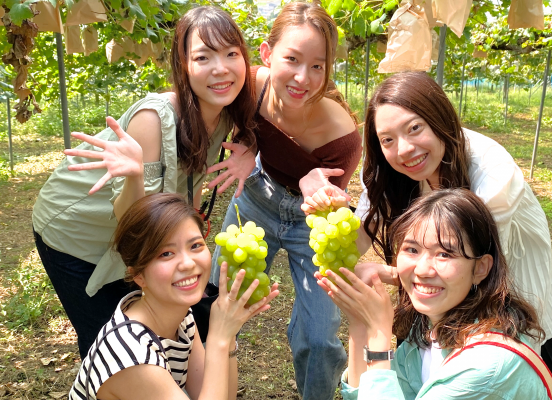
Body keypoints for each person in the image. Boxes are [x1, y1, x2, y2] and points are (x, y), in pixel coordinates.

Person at [302, 71, 552, 382]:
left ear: (438, 117)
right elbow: (358, 239)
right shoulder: (391, 173)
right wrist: (328, 209)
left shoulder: (493, 176)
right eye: (387, 139)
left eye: (414, 129)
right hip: (436, 313)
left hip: (507, 323)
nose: (404, 149)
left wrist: (384, 279)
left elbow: (464, 272)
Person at [32, 6, 257, 358]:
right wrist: (136, 174)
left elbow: (288, 82)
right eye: (203, 56)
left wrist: (250, 148)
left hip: (139, 238)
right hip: (75, 231)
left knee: (165, 329)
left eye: (231, 54)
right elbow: (133, 220)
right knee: (112, 344)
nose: (221, 68)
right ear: (184, 66)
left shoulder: (226, 111)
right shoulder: (153, 119)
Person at [208, 3, 362, 399]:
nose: (302, 77)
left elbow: (328, 208)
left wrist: (318, 190)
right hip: (255, 197)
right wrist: (245, 146)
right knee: (214, 300)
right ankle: (204, 384)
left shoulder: (340, 134)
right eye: (291, 59)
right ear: (265, 54)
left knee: (319, 339)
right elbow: (225, 119)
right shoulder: (248, 87)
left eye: (317, 66)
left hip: (308, 220)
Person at [315, 189, 552, 399]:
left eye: (445, 254)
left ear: (480, 268)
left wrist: (379, 335)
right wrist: (360, 325)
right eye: (412, 249)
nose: (422, 270)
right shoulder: (428, 334)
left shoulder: (485, 366)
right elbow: (364, 394)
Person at [69, 193, 279, 400]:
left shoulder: (179, 315)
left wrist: (229, 335)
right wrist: (218, 338)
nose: (188, 263)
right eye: (166, 254)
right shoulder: (132, 356)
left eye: (195, 245)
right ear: (138, 275)